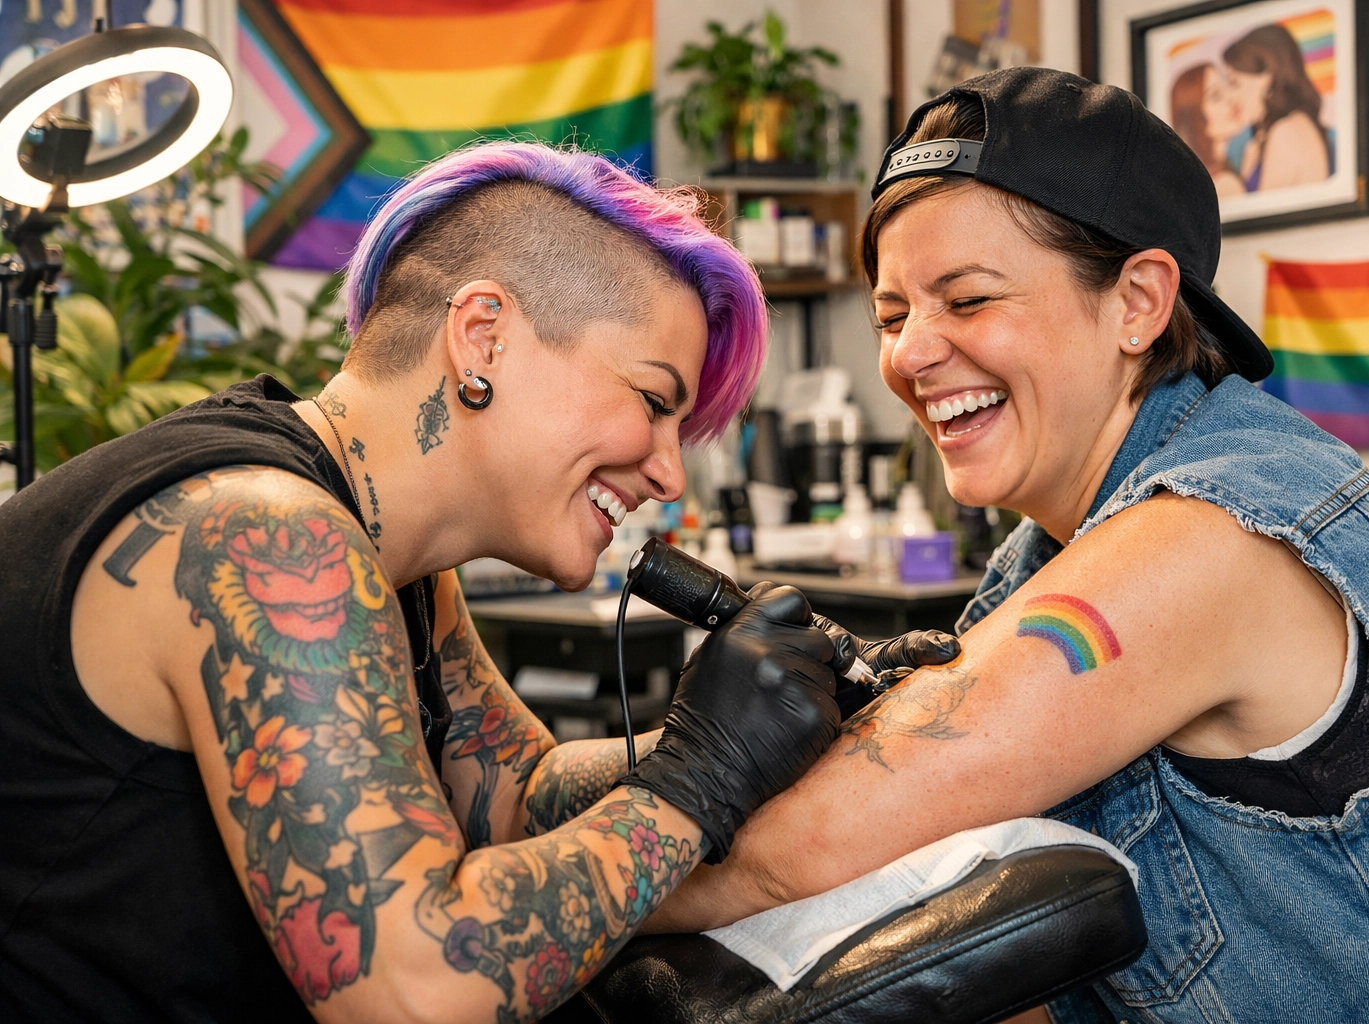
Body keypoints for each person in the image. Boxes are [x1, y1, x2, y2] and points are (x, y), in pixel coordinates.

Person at [643, 68, 1369, 1020]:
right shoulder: (1041, 557)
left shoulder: (1204, 537)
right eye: (892, 316)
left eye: (968, 300)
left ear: (1139, 302)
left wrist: (537, 890)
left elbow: (794, 856)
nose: (908, 354)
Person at [0, 141, 953, 1023]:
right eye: (653, 400)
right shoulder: (264, 534)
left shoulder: (392, 559)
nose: (670, 473)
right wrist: (700, 775)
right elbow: (412, 990)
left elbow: (512, 798)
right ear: (483, 336)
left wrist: (777, 731)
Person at [1224, 24, 1332, 191]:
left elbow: (1265, 208)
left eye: (1235, 83)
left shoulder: (1287, 132)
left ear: (1267, 78)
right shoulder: (1261, 138)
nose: (1230, 96)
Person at [1168, 63, 1247, 197]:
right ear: (1195, 117)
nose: (1231, 98)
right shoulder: (1224, 184)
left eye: (1228, 86)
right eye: (1216, 95)